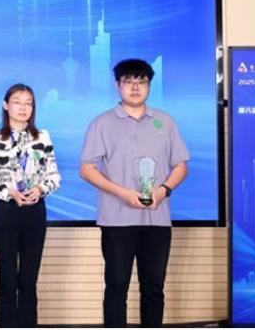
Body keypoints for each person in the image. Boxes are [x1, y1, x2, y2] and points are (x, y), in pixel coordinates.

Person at [80, 58, 189, 328]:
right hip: (117, 219)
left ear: (149, 86)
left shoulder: (165, 121)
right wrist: (122, 193)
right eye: (129, 82)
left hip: (157, 219)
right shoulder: (102, 123)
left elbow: (180, 166)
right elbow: (87, 170)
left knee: (154, 287)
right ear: (118, 85)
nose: (136, 87)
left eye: (142, 82)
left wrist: (163, 190)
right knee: (116, 287)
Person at [0, 84, 61, 328]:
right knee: (7, 280)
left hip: (34, 212)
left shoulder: (42, 137)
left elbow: (54, 176)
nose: (23, 108)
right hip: (6, 211)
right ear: (6, 105)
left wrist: (40, 189)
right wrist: (9, 193)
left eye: (28, 103)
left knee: (28, 281)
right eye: (17, 102)